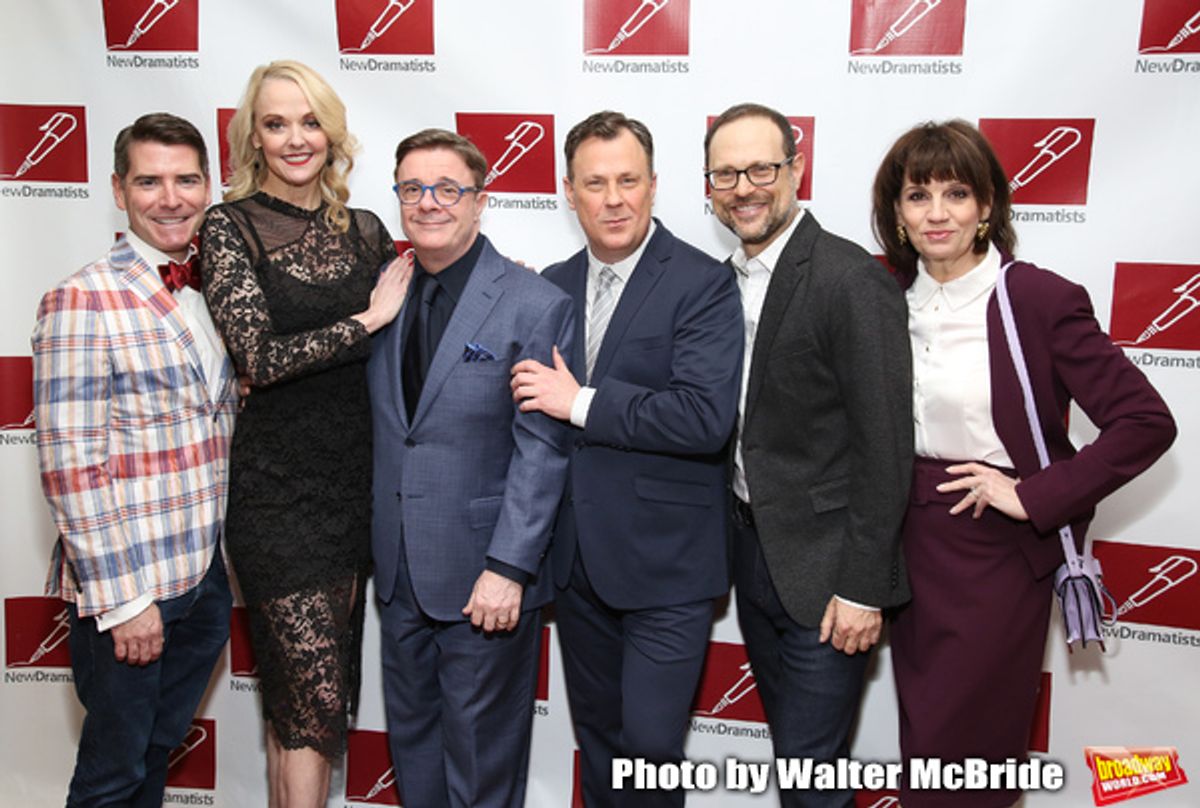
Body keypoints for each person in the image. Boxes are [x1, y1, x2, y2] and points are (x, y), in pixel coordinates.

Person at [871, 119, 1176, 808]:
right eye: (918, 195)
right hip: (902, 543)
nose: (937, 213)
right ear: (897, 212)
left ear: (987, 206)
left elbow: (1146, 422)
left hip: (992, 554)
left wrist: (1034, 495)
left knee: (963, 758)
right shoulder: (882, 294)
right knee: (925, 749)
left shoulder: (1035, 298)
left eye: (957, 193)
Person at [511, 110, 743, 807]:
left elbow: (703, 418)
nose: (613, 199)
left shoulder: (702, 281)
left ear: (654, 185)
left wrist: (579, 402)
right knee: (601, 747)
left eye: (628, 181)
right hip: (577, 564)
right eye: (595, 183)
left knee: (649, 753)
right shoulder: (549, 285)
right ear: (568, 192)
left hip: (668, 567)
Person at [200, 60, 409, 807]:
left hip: (354, 492)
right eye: (276, 123)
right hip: (278, 499)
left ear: (331, 132)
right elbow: (258, 358)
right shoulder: (228, 227)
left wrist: (501, 280)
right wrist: (366, 320)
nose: (295, 138)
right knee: (315, 701)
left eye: (310, 121)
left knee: (304, 703)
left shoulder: (367, 231)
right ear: (253, 138)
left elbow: (421, 315)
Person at [704, 103, 913, 808]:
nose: (744, 188)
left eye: (761, 169)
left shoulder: (849, 279)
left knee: (811, 780)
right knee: (799, 770)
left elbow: (886, 447)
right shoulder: (720, 281)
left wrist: (863, 588)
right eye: (726, 174)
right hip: (753, 557)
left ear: (797, 170)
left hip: (829, 576)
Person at [31, 112, 235, 808]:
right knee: (111, 777)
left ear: (209, 186)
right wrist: (124, 603)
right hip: (129, 587)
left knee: (152, 756)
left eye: (186, 180)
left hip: (203, 577)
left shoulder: (214, 289)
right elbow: (70, 466)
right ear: (118, 190)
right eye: (149, 182)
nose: (170, 199)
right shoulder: (81, 298)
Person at [369, 128, 574, 808]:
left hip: (484, 577)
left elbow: (542, 448)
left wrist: (509, 567)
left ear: (480, 201)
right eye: (412, 188)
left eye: (447, 189)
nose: (428, 202)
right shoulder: (385, 293)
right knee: (415, 756)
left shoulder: (533, 301)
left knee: (482, 768)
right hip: (399, 573)